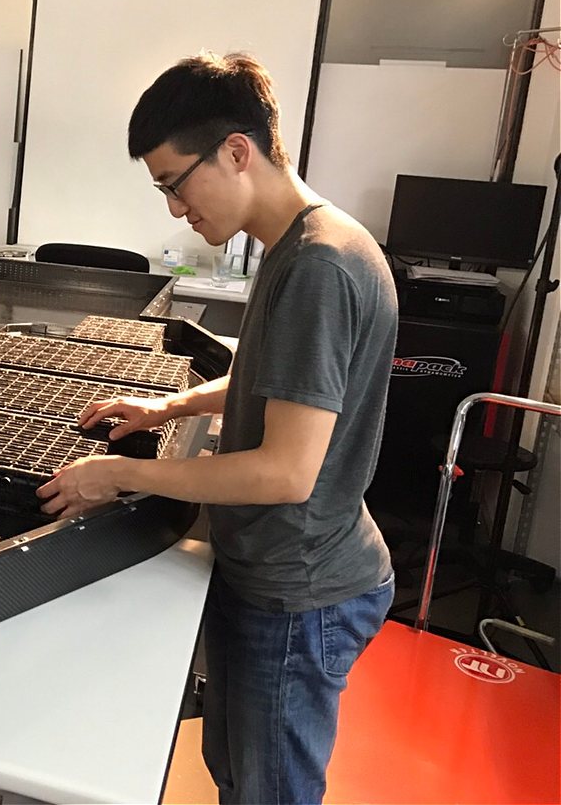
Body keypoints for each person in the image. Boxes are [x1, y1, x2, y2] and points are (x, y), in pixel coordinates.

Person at [36, 52, 396, 805]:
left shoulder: (319, 267)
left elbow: (284, 471)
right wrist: (167, 409)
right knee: (237, 774)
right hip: (277, 571)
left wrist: (120, 473)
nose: (175, 209)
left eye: (175, 182)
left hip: (299, 590)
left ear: (236, 151)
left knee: (268, 792)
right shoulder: (306, 242)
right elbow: (280, 387)